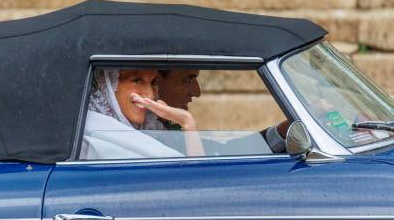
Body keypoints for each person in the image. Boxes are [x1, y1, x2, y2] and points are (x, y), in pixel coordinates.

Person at [157, 69, 290, 153]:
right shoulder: (143, 140)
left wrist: (280, 133)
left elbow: (220, 151)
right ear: (156, 81)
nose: (197, 92)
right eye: (187, 79)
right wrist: (188, 122)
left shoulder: (163, 132)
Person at [81, 69, 205, 159]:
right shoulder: (89, 136)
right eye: (137, 80)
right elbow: (197, 182)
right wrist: (187, 122)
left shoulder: (152, 130)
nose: (150, 95)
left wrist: (186, 121)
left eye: (153, 82)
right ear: (106, 83)